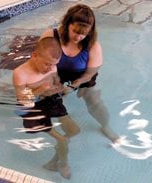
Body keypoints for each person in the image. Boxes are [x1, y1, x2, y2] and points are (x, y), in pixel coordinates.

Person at [40, 4, 119, 142]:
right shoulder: (51, 36)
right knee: (45, 99)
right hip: (55, 72)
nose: (79, 37)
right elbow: (40, 61)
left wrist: (72, 86)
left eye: (84, 33)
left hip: (82, 76)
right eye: (75, 31)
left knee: (94, 101)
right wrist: (54, 81)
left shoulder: (93, 45)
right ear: (67, 24)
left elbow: (89, 75)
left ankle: (106, 126)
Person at [13, 37, 80, 179]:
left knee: (75, 130)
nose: (50, 68)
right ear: (35, 56)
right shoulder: (20, 73)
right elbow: (22, 100)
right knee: (62, 140)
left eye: (54, 65)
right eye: (47, 64)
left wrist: (60, 88)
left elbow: (56, 82)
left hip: (50, 100)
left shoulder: (52, 66)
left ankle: (54, 160)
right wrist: (40, 90)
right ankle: (63, 163)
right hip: (33, 107)